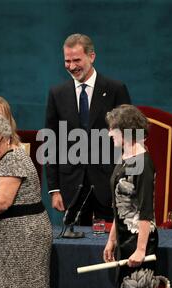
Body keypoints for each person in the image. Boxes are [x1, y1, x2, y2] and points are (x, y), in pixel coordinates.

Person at [45, 33, 131, 226]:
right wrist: (54, 189)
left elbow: (130, 138)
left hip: (109, 184)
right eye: (67, 61)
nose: (72, 66)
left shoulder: (116, 89)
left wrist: (126, 183)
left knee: (109, 243)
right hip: (72, 187)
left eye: (77, 60)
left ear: (91, 57)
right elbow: (52, 142)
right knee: (74, 247)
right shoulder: (57, 94)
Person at [0, 114, 52, 288]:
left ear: (7, 137)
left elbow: (2, 202)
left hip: (25, 237)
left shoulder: (13, 158)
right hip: (9, 237)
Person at [102, 104, 158, 288]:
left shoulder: (142, 162)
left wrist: (141, 249)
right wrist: (112, 240)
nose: (109, 133)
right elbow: (120, 206)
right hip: (124, 241)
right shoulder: (126, 158)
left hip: (139, 242)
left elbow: (145, 211)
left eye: (113, 129)